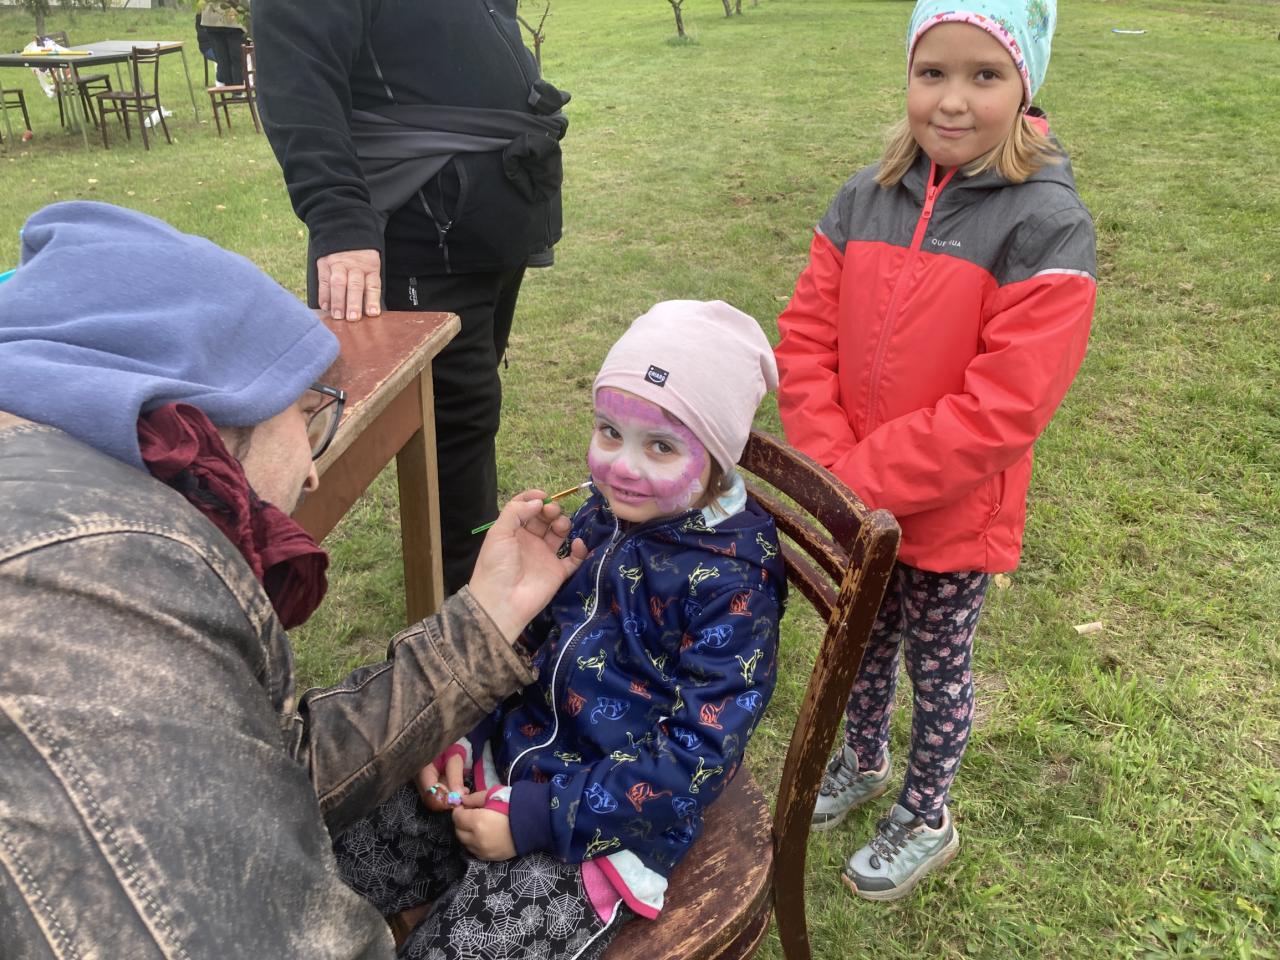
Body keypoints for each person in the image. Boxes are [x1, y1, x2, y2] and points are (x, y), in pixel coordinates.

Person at [0, 201, 589, 958]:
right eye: (312, 416)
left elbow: (265, 773)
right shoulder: (102, 579)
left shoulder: (75, 501)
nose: (313, 471)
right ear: (220, 410)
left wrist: (489, 615)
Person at [331, 301, 788, 960]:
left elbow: (696, 758)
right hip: (501, 764)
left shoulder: (735, 587)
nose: (621, 467)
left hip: (602, 834)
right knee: (335, 858)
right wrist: (466, 730)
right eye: (609, 431)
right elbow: (532, 640)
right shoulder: (602, 517)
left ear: (717, 458)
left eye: (661, 446)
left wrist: (533, 818)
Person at [774, 0, 1096, 901]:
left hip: (952, 520)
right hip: (857, 505)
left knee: (938, 669)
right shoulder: (864, 196)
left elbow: (1003, 409)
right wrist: (834, 467)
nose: (952, 100)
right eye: (932, 73)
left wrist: (855, 483)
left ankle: (927, 813)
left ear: (1024, 85)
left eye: (984, 75)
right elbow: (805, 338)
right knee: (860, 644)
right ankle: (864, 760)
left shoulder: (1047, 224)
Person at [252, 0, 570, 598]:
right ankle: (469, 606)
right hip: (419, 225)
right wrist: (338, 216)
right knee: (456, 424)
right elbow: (297, 71)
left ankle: (477, 573)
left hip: (484, 222)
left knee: (473, 410)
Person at [198, 0, 249, 86]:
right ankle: (236, 90)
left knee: (224, 61)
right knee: (236, 61)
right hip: (232, 18)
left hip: (213, 18)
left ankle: (233, 88)